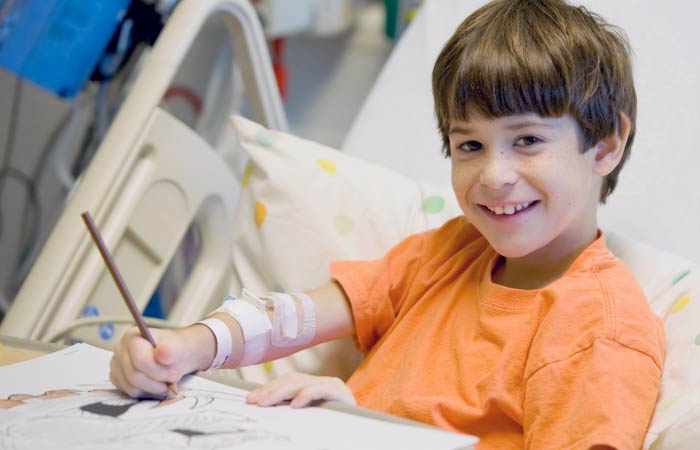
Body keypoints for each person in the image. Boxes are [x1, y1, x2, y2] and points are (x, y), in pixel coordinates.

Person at [110, 0, 665, 448]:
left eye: (527, 140)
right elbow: (296, 316)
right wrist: (189, 347)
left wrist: (371, 435)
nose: (494, 176)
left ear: (606, 144)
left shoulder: (600, 332)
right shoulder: (449, 252)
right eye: (468, 144)